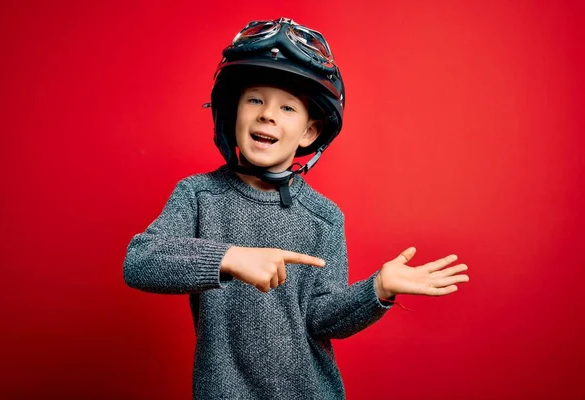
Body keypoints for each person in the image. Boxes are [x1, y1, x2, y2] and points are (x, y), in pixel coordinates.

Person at [123, 17, 469, 400]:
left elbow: (325, 318)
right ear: (233, 111)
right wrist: (230, 257)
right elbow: (139, 261)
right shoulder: (198, 195)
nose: (267, 114)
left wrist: (378, 290)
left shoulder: (323, 217)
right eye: (255, 99)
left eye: (288, 108)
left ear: (309, 132)